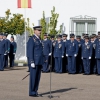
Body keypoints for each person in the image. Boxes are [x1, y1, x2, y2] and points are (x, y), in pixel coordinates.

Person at [28, 26, 43, 97]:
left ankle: (35, 91)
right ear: (34, 31)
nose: (40, 32)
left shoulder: (39, 39)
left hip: (39, 61)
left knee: (37, 77)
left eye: (40, 30)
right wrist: (31, 61)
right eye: (38, 30)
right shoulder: (32, 39)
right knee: (33, 77)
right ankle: (32, 92)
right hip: (34, 61)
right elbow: (30, 51)